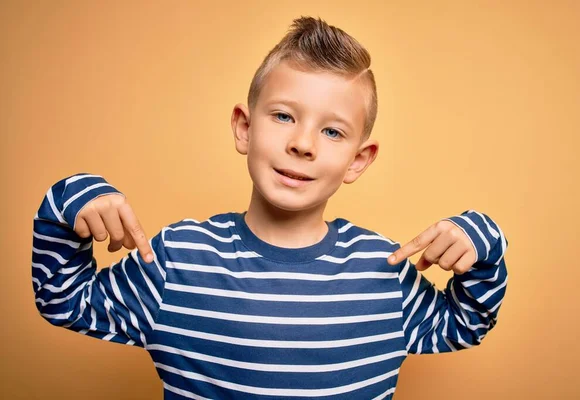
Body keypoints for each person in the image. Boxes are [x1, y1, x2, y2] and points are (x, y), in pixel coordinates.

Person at [32, 16, 508, 399]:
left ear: (357, 161)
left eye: (333, 131)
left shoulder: (383, 272)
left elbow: (467, 323)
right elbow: (62, 299)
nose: (302, 144)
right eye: (283, 116)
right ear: (245, 127)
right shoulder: (176, 261)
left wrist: (482, 241)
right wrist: (70, 200)